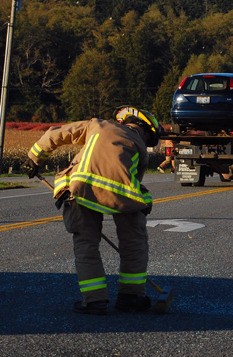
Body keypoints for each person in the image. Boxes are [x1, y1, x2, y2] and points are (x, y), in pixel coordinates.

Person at [21, 106, 163, 315]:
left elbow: (56, 134)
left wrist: (34, 158)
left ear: (124, 121)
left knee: (86, 243)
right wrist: (144, 204)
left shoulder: (97, 125)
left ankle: (95, 300)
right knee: (134, 242)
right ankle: (131, 297)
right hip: (122, 195)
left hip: (80, 188)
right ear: (144, 131)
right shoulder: (140, 148)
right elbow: (134, 184)